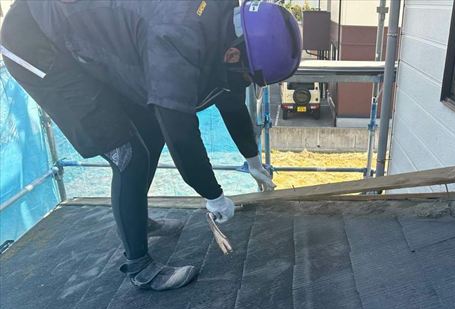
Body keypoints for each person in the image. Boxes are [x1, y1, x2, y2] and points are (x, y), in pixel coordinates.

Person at [0, 0, 301, 291]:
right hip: (35, 42)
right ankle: (139, 267)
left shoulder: (225, 25)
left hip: (85, 29)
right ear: (234, 55)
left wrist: (252, 159)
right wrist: (213, 194)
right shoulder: (176, 39)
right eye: (249, 76)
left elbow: (230, 98)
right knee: (127, 154)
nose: (246, 83)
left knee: (150, 131)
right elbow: (180, 133)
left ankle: (137, 221)